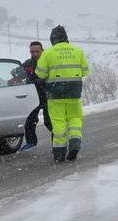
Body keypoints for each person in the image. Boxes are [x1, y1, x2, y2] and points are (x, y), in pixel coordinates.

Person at [34, 25, 89, 162]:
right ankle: (75, 142)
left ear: (53, 39)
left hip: (55, 94)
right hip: (74, 93)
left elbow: (40, 73)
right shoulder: (78, 51)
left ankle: (59, 152)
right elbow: (85, 71)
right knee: (75, 118)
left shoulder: (48, 53)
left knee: (58, 122)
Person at [18, 40, 52, 150]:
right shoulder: (28, 63)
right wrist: (16, 75)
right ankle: (31, 142)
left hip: (48, 96)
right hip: (33, 96)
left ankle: (58, 143)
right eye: (32, 52)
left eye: (37, 51)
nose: (34, 54)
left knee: (49, 122)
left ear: (42, 50)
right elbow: (18, 72)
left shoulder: (49, 61)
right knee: (29, 121)